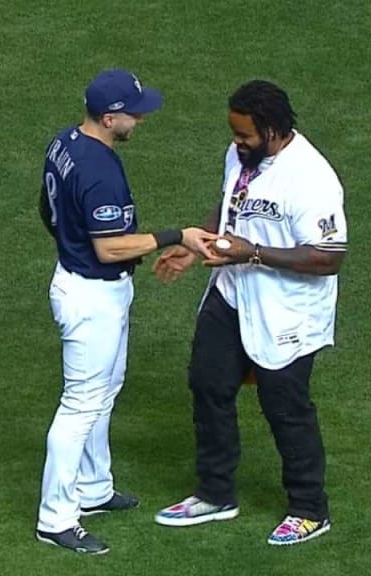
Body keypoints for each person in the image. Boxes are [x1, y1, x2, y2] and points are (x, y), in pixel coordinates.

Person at [152, 80, 348, 546]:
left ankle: (308, 509)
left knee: (285, 408)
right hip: (234, 293)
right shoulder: (241, 157)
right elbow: (231, 206)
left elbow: (330, 256)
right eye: (234, 134)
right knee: (208, 381)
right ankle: (216, 493)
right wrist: (197, 243)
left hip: (287, 312)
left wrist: (252, 253)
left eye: (245, 137)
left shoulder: (311, 177)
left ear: (274, 130)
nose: (236, 144)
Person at [35, 69, 216, 555]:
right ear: (109, 117)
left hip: (85, 284)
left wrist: (73, 244)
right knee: (80, 405)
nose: (140, 119)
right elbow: (111, 248)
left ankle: (93, 488)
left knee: (104, 390)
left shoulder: (65, 142)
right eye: (133, 113)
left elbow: (46, 211)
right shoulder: (98, 171)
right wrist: (175, 236)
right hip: (91, 295)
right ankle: (56, 518)